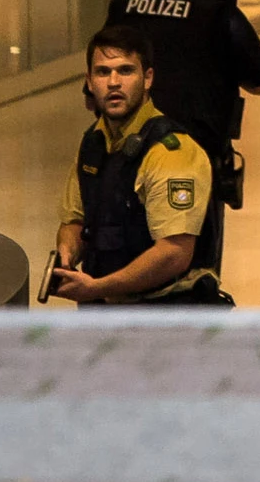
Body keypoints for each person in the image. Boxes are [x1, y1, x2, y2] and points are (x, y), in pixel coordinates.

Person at [101, 0, 260, 285]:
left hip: (124, 156)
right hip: (195, 154)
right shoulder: (218, 11)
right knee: (194, 266)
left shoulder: (125, 7)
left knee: (119, 253)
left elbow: (98, 85)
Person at [46, 25, 227, 307]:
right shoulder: (93, 144)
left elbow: (174, 253)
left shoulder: (171, 152)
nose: (114, 82)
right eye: (103, 72)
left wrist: (97, 288)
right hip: (104, 308)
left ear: (147, 78)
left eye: (126, 71)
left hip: (166, 315)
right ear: (90, 82)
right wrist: (67, 254)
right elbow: (75, 221)